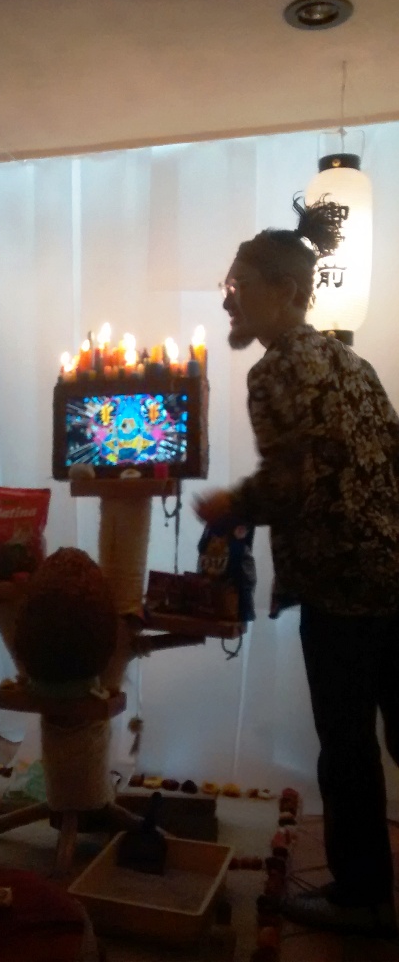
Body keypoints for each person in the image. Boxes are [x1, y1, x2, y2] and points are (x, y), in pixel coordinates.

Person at [194, 197, 399, 938]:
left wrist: (228, 503)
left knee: (346, 750)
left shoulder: (276, 368)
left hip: (341, 589)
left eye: (240, 283)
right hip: (393, 576)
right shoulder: (353, 362)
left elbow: (290, 484)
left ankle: (362, 900)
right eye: (226, 283)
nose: (228, 297)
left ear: (285, 290)